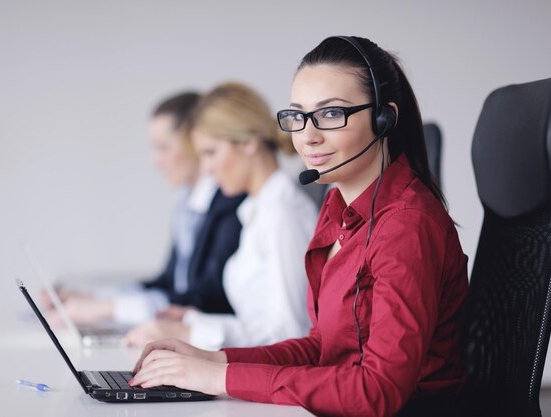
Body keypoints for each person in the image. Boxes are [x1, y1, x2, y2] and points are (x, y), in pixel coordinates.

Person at [128, 36, 469, 417]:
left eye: (330, 114)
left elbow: (377, 391)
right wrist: (215, 360)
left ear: (383, 118)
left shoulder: (407, 226)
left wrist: (218, 380)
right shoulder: (338, 208)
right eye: (298, 116)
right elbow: (321, 347)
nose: (307, 136)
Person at [125, 82, 318, 349]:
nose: (206, 169)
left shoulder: (282, 214)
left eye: (211, 153)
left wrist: (190, 333)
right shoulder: (256, 210)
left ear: (249, 142)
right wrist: (193, 320)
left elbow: (291, 332)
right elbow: (259, 320)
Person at [43, 91, 245, 326]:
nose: (155, 160)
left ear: (194, 142)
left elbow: (210, 297)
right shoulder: (185, 203)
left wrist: (107, 308)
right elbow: (169, 282)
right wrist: (93, 299)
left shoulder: (231, 203)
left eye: (163, 148)